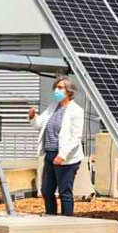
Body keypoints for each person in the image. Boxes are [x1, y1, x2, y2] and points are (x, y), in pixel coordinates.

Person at [29, 77, 85, 216]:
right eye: (56, 87)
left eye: (60, 88)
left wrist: (62, 155)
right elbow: (39, 124)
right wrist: (33, 117)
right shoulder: (52, 107)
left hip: (66, 158)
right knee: (46, 191)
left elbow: (76, 137)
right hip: (50, 154)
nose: (57, 90)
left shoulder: (76, 110)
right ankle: (51, 218)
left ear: (69, 91)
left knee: (64, 192)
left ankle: (66, 222)